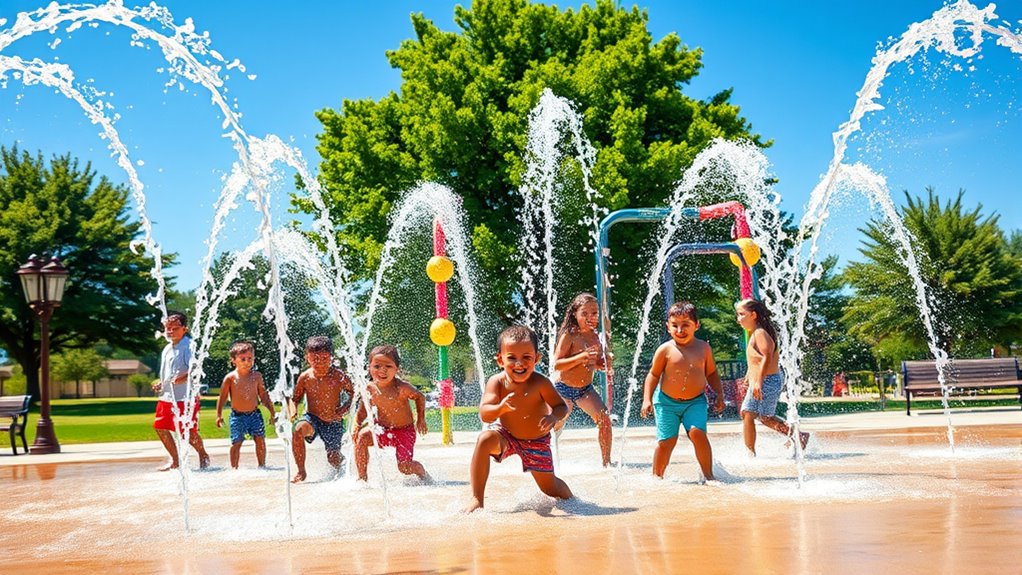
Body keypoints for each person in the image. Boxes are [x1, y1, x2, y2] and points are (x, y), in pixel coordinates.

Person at [465, 325, 573, 512]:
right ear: (500, 360)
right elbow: (484, 413)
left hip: (536, 441)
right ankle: (477, 499)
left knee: (550, 488)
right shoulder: (496, 382)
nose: (519, 363)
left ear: (537, 359)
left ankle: (572, 500)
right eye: (511, 358)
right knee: (485, 439)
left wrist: (553, 417)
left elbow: (561, 406)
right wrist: (500, 408)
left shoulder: (540, 383)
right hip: (507, 435)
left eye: (526, 358)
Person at [640, 301, 724, 481]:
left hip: (695, 402)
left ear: (696, 325)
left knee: (697, 432)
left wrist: (719, 394)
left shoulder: (703, 348)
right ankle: (657, 477)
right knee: (667, 441)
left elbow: (711, 373)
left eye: (685, 325)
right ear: (668, 327)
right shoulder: (665, 350)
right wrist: (647, 399)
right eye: (675, 326)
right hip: (666, 403)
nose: (680, 330)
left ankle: (709, 476)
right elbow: (653, 375)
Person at [735, 298, 809, 456]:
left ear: (753, 315)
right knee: (764, 417)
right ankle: (798, 436)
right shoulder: (756, 332)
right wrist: (749, 379)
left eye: (742, 314)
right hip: (766, 379)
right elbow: (755, 361)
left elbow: (766, 357)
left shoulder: (760, 332)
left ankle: (750, 454)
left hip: (767, 380)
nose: (738, 318)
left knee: (749, 414)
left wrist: (759, 382)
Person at [551, 292, 613, 467]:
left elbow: (595, 363)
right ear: (575, 315)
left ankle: (607, 462)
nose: (590, 317)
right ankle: (551, 446)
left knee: (604, 419)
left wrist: (604, 365)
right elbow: (557, 365)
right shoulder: (570, 335)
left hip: (585, 389)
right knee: (557, 422)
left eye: (594, 313)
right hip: (563, 388)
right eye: (584, 313)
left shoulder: (597, 337)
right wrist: (581, 357)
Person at [353, 345, 429, 481]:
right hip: (382, 429)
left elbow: (419, 396)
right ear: (369, 368)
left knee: (404, 467)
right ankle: (362, 478)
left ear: (396, 369)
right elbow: (364, 408)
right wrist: (357, 424)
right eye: (376, 366)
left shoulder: (402, 388)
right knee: (362, 437)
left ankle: (422, 473)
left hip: (404, 431)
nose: (382, 370)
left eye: (388, 366)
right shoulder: (369, 388)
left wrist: (421, 419)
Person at [288, 335, 354, 483]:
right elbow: (295, 399)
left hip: (333, 422)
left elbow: (353, 393)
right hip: (313, 418)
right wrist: (293, 413)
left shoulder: (339, 376)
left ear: (331, 357)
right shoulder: (305, 377)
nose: (320, 363)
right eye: (315, 359)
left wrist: (345, 408)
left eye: (324, 358)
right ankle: (301, 471)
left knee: (333, 458)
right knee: (298, 430)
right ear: (307, 358)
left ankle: (344, 470)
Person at [152, 311, 210, 471]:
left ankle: (203, 455)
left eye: (174, 328)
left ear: (185, 329)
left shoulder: (189, 346)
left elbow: (196, 368)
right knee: (160, 427)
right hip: (167, 397)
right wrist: (161, 384)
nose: (170, 331)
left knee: (188, 431)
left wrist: (182, 378)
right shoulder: (167, 348)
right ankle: (176, 460)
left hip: (186, 397)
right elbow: (167, 373)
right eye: (167, 328)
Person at [215, 341, 276, 469]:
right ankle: (234, 468)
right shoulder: (230, 378)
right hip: (237, 416)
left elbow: (263, 396)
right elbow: (223, 397)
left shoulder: (257, 376)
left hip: (254, 415)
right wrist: (218, 415)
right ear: (234, 360)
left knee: (260, 440)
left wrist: (272, 412)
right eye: (243, 359)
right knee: (236, 442)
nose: (247, 362)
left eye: (250, 358)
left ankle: (262, 466)